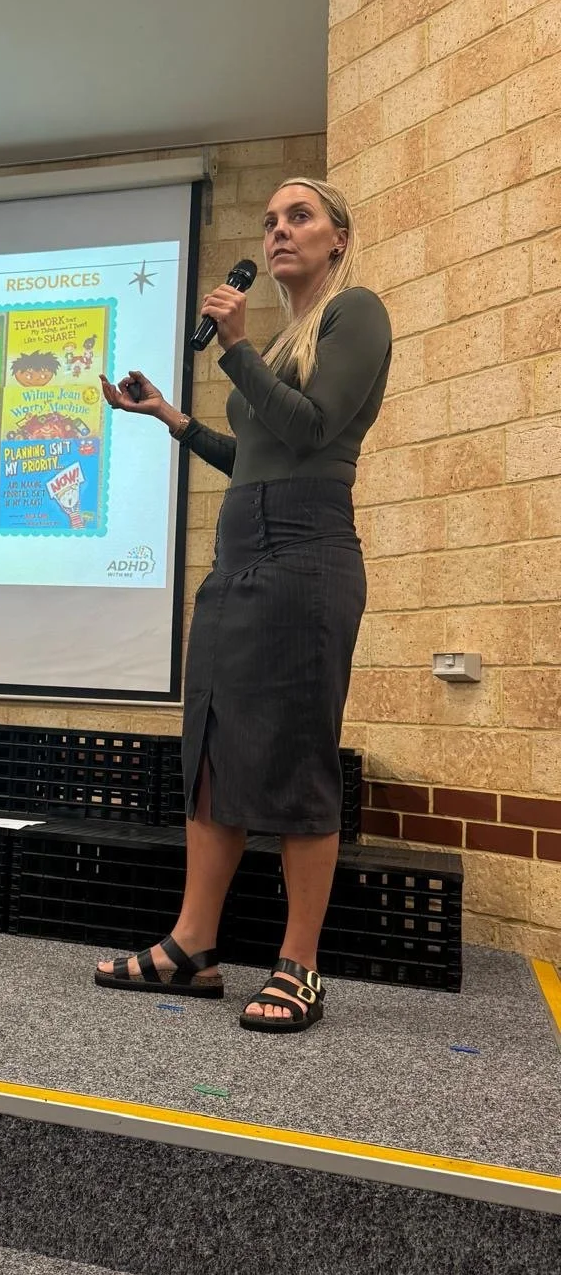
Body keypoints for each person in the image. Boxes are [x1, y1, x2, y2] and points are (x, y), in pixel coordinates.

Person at [96, 178, 392, 1034]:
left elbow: (306, 430)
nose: (277, 232)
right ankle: (193, 946)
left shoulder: (356, 312)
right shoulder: (287, 334)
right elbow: (258, 455)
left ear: (339, 237)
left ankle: (300, 964)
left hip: (307, 559)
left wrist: (233, 348)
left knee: (298, 754)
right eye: (269, 222)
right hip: (239, 559)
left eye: (298, 217)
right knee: (215, 746)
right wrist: (175, 421)